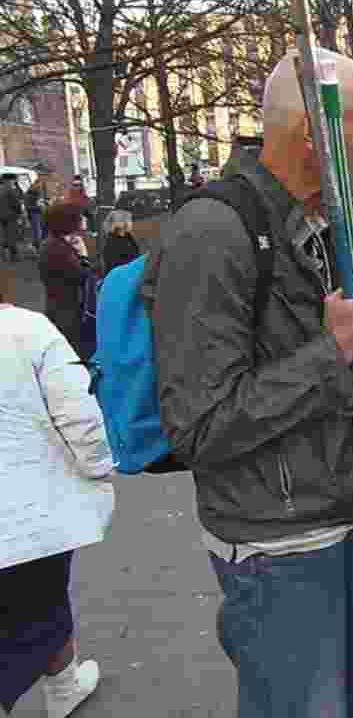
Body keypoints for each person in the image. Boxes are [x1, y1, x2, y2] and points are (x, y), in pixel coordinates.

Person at [144, 49, 353, 718]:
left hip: (346, 520)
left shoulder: (315, 223)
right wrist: (336, 350)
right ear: (312, 136)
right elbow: (200, 426)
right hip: (275, 550)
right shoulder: (212, 231)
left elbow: (299, 375)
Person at [0, 265, 114, 718]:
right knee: (42, 604)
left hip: (27, 512)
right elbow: (80, 416)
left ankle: (65, 684)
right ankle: (61, 684)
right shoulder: (28, 329)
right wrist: (98, 471)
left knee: (40, 606)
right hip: (31, 507)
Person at [38, 199, 93, 360]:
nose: (82, 219)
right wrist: (83, 255)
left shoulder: (54, 244)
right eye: (78, 217)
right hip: (66, 311)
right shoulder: (57, 249)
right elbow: (83, 276)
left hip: (61, 307)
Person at [100, 209, 140, 276]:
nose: (131, 222)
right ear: (120, 223)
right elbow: (115, 266)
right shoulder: (112, 242)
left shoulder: (129, 238)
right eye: (129, 220)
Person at [0, 173, 24, 261]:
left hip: (2, 216)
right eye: (13, 180)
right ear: (9, 180)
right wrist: (20, 213)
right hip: (10, 216)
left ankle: (4, 255)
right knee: (12, 235)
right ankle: (14, 256)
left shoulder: (1, 188)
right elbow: (16, 203)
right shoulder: (9, 189)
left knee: (4, 235)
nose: (14, 182)